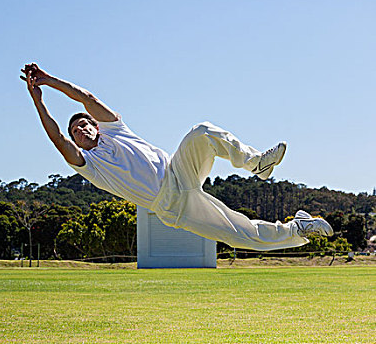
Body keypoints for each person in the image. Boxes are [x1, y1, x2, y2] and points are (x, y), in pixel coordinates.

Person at [20, 63, 332, 251]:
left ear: (95, 123)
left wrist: (49, 80)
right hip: (173, 206)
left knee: (202, 132)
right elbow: (55, 136)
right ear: (75, 139)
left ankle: (256, 163)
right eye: (76, 129)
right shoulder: (90, 166)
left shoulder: (115, 129)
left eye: (85, 122)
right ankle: (298, 229)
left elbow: (87, 98)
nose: (82, 127)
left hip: (177, 170)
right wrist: (38, 99)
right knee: (241, 235)